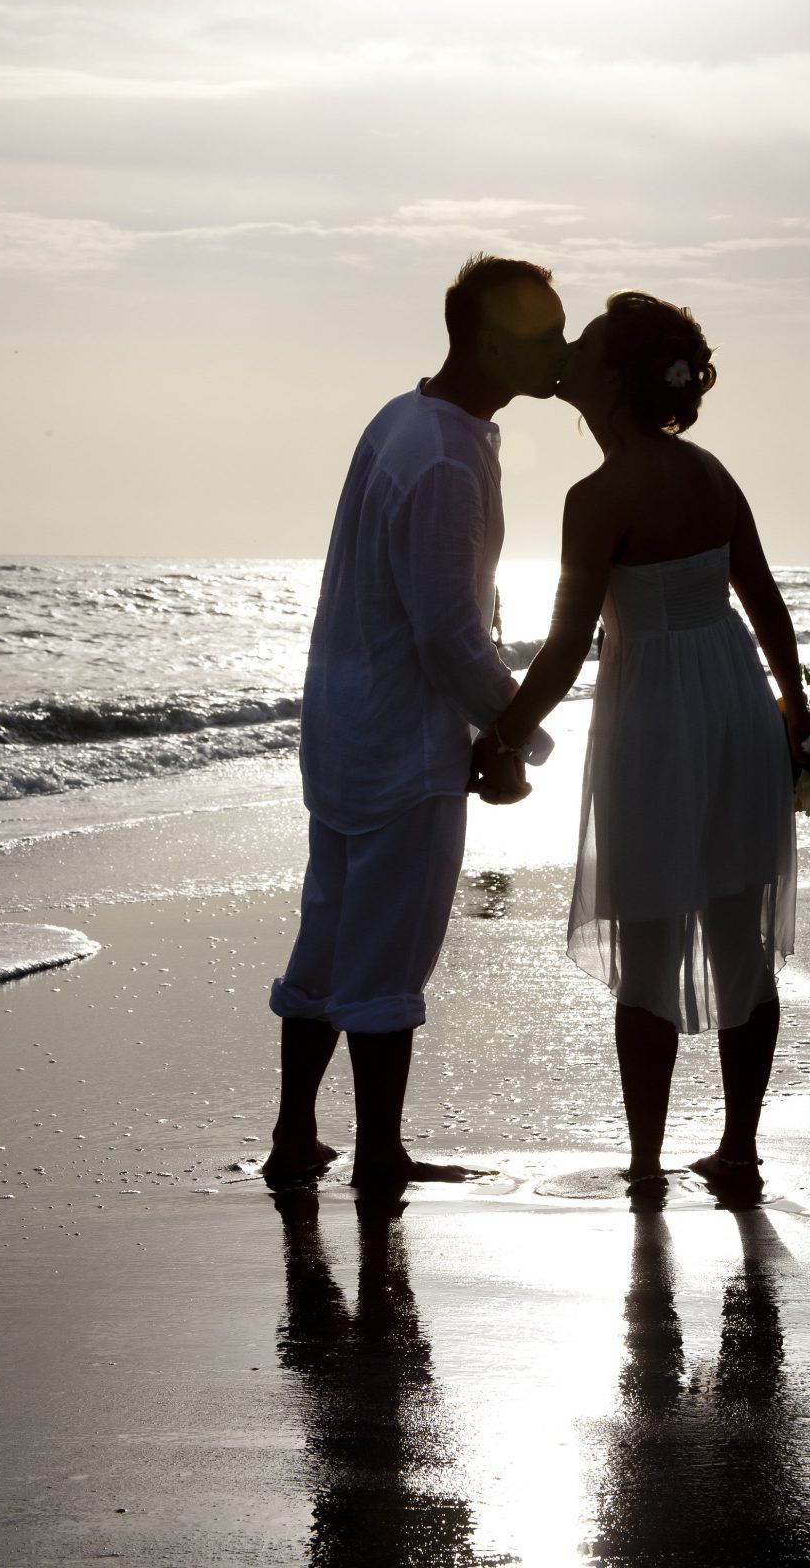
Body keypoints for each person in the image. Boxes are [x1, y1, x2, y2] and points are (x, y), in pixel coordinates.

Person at [486, 291, 810, 1195]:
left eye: (583, 344)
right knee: (737, 937)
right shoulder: (709, 472)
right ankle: (740, 1149)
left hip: (656, 720)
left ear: (615, 379)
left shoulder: (596, 497)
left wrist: (501, 736)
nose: (570, 354)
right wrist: (795, 711)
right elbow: (767, 605)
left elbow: (562, 648)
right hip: (737, 704)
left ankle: (644, 1165)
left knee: (650, 943)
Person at [263, 254, 564, 1188]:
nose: (561, 349)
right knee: (389, 950)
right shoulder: (441, 453)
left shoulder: (408, 421)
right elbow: (447, 631)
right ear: (484, 339)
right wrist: (515, 736)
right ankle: (381, 1152)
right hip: (402, 734)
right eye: (542, 334)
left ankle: (295, 1134)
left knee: (329, 934)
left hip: (346, 720)